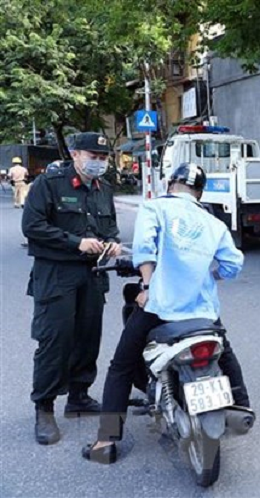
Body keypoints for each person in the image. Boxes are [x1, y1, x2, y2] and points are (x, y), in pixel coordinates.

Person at [82, 163, 251, 465]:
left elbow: (145, 248)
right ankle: (241, 408)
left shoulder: (156, 207)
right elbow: (232, 265)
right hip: (202, 312)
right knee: (225, 351)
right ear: (199, 191)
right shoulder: (212, 222)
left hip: (162, 308)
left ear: (171, 184)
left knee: (120, 366)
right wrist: (204, 276)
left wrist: (147, 287)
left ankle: (105, 442)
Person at [22, 132, 122, 445]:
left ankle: (79, 395)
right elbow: (33, 227)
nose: (99, 162)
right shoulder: (49, 184)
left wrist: (112, 244)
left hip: (92, 274)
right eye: (93, 156)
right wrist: (76, 243)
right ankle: (45, 407)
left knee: (88, 338)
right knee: (55, 340)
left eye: (104, 158)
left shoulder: (103, 189)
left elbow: (110, 228)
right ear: (76, 154)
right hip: (56, 273)